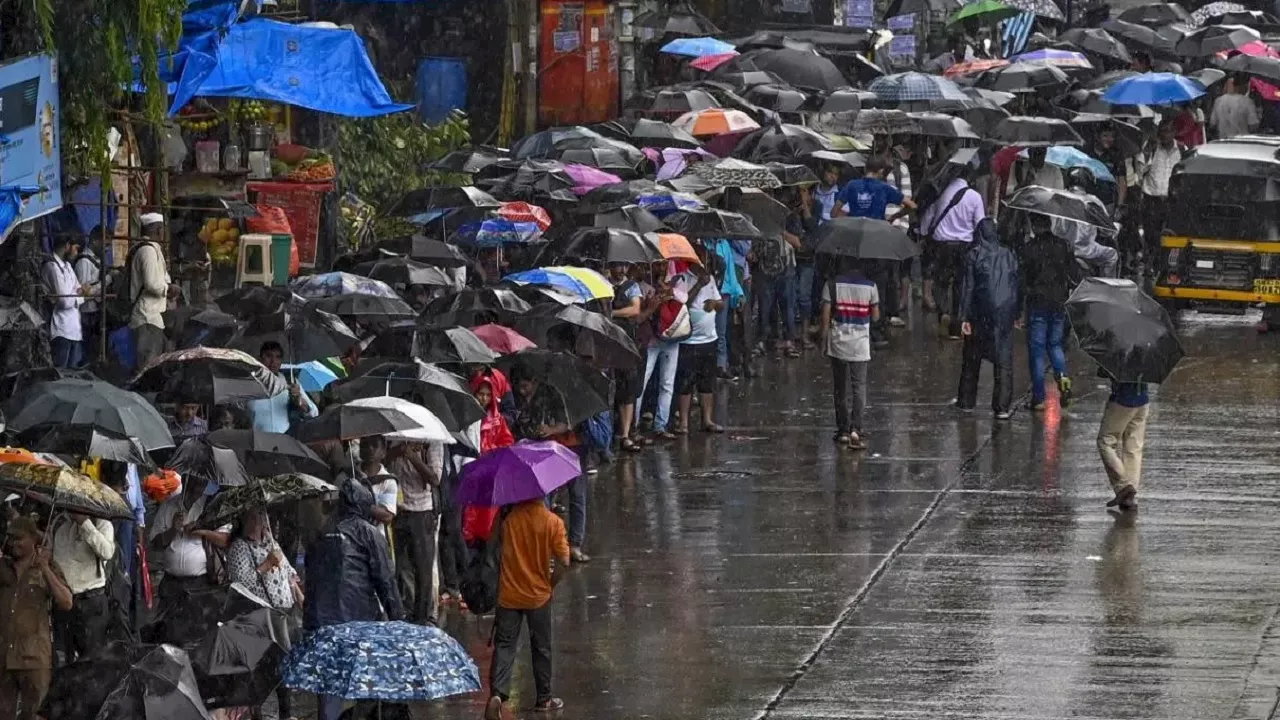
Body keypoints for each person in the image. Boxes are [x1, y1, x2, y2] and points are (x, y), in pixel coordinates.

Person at [304, 479, 404, 720]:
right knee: (370, 680)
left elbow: (311, 576)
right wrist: (399, 621)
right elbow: (386, 582)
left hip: (322, 623)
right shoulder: (369, 534)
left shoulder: (321, 532)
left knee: (329, 687)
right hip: (359, 622)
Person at [484, 499, 571, 719]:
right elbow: (564, 561)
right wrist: (551, 583)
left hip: (508, 595)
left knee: (504, 646)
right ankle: (544, 698)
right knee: (541, 647)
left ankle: (497, 694)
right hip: (538, 596)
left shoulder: (508, 520)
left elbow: (493, 547)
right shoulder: (553, 522)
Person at [226, 508, 300, 720]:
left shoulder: (271, 542)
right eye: (254, 515)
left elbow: (288, 571)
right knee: (261, 668)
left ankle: (286, 714)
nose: (261, 518)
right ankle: (255, 714)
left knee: (283, 664)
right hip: (258, 617)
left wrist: (298, 593)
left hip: (282, 614)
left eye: (261, 514)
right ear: (246, 520)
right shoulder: (239, 548)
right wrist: (265, 565)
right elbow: (240, 584)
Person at [511, 370, 590, 562]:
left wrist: (551, 430)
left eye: (525, 386)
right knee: (545, 498)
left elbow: (571, 422)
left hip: (574, 450)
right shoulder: (532, 400)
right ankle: (550, 545)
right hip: (549, 452)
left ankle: (574, 544)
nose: (522, 391)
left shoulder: (566, 395)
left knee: (577, 497)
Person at [0, 517, 72, 720]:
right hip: (4, 652)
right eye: (10, 538)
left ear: (34, 539)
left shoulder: (47, 568)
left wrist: (46, 569)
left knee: (35, 713)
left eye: (19, 539)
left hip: (34, 657)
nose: (13, 543)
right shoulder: (3, 568)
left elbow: (66, 602)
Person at [955, 218, 1019, 418]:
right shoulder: (1009, 254)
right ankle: (1002, 406)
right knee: (1003, 359)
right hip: (1004, 312)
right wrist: (1017, 312)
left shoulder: (973, 255)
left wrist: (963, 317)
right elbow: (1016, 284)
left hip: (980, 312)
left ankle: (967, 401)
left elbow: (968, 287)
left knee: (972, 358)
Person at [818, 260, 879, 451]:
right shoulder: (871, 286)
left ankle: (843, 429)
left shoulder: (831, 285)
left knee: (840, 387)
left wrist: (823, 340)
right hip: (860, 344)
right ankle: (856, 428)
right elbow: (876, 316)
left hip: (838, 343)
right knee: (859, 387)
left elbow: (825, 317)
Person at [1019, 215, 1078, 411]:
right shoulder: (1064, 246)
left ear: (1035, 226)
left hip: (1038, 303)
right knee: (1055, 345)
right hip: (1059, 302)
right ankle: (1063, 381)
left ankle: (1039, 398)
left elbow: (1023, 280)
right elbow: (1073, 275)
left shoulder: (1029, 249)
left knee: (1037, 352)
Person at [920, 173, 987, 339]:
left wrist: (922, 232)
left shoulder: (941, 192)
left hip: (942, 246)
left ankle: (944, 311)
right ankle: (956, 328)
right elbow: (981, 223)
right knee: (961, 286)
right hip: (964, 247)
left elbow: (929, 216)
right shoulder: (974, 196)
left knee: (940, 283)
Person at [149, 476, 230, 606]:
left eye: (202, 479)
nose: (198, 483)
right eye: (194, 479)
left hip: (200, 584)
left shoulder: (212, 506)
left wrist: (201, 530)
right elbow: (155, 545)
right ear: (185, 478)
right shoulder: (168, 505)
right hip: (171, 583)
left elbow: (225, 540)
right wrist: (173, 530)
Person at [47, 511, 115, 664]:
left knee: (92, 658)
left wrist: (85, 523)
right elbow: (54, 555)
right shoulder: (60, 523)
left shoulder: (102, 523)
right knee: (66, 655)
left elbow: (107, 552)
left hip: (91, 601)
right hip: (65, 600)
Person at [388, 441, 442, 625]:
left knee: (423, 569)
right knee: (401, 567)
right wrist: (397, 451)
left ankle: (423, 616)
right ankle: (407, 611)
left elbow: (434, 479)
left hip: (422, 511)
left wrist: (412, 456)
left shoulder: (432, 443)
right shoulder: (394, 439)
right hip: (399, 509)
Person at [673, 254, 725, 433]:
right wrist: (699, 285)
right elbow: (683, 304)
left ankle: (707, 420)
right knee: (685, 383)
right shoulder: (682, 279)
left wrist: (715, 304)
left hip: (709, 338)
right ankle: (684, 423)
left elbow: (720, 302)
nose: (706, 264)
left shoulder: (710, 279)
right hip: (689, 340)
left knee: (707, 382)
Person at [634, 268, 681, 441]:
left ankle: (661, 425)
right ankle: (634, 426)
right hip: (651, 340)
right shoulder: (641, 287)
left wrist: (670, 292)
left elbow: (684, 300)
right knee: (641, 383)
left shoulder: (676, 279)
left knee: (667, 384)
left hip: (671, 338)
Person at [1097, 379, 1149, 512]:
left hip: (1122, 400)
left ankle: (1123, 486)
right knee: (1133, 449)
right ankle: (1130, 497)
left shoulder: (1121, 358)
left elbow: (1107, 371)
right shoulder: (1147, 359)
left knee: (1105, 441)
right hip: (1143, 400)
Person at [131, 213, 175, 369]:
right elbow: (151, 284)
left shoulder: (152, 249)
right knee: (147, 364)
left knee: (154, 360)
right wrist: (168, 289)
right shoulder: (147, 251)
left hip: (153, 316)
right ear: (157, 230)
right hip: (146, 316)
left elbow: (162, 277)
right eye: (162, 229)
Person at [247, 341, 319, 433]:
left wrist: (300, 401)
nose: (273, 361)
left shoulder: (291, 382)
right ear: (260, 358)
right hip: (256, 442)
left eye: (278, 357)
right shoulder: (249, 383)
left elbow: (314, 413)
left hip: (285, 440)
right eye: (268, 356)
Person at [609, 262, 644, 451]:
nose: (620, 269)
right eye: (617, 266)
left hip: (627, 341)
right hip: (607, 342)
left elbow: (635, 309)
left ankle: (625, 433)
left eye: (623, 266)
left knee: (627, 389)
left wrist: (612, 313)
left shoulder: (631, 286)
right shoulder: (603, 284)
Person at [1138, 121, 1183, 266]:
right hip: (1152, 198)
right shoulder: (1151, 149)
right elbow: (1140, 172)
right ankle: (1152, 262)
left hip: (1172, 199)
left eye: (1168, 131)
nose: (1165, 135)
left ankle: (1162, 262)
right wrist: (1147, 153)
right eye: (1162, 131)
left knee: (1170, 233)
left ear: (1174, 133)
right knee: (1151, 233)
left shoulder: (1182, 150)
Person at [41, 236, 88, 368]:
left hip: (74, 330)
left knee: (72, 375)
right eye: (76, 248)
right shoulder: (52, 266)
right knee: (60, 372)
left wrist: (77, 294)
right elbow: (64, 302)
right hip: (60, 329)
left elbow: (80, 295)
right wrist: (78, 293)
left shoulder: (67, 267)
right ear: (67, 245)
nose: (76, 253)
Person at [833, 156, 917, 221]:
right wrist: (892, 218)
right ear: (881, 171)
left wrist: (849, 217)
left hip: (855, 232)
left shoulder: (851, 185)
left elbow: (834, 212)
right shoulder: (885, 188)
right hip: (877, 233)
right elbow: (912, 206)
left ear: (865, 168)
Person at [74, 238, 103, 360]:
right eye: (104, 244)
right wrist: (106, 281)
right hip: (86, 312)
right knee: (85, 346)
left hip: (95, 310)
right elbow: (84, 291)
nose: (106, 249)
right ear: (95, 240)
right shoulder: (83, 261)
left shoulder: (98, 259)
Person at [1210, 75, 1260, 139]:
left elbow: (1212, 124)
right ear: (1239, 86)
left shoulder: (1218, 101)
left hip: (1223, 141)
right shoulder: (1247, 102)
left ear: (1226, 86)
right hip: (1242, 142)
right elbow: (1253, 125)